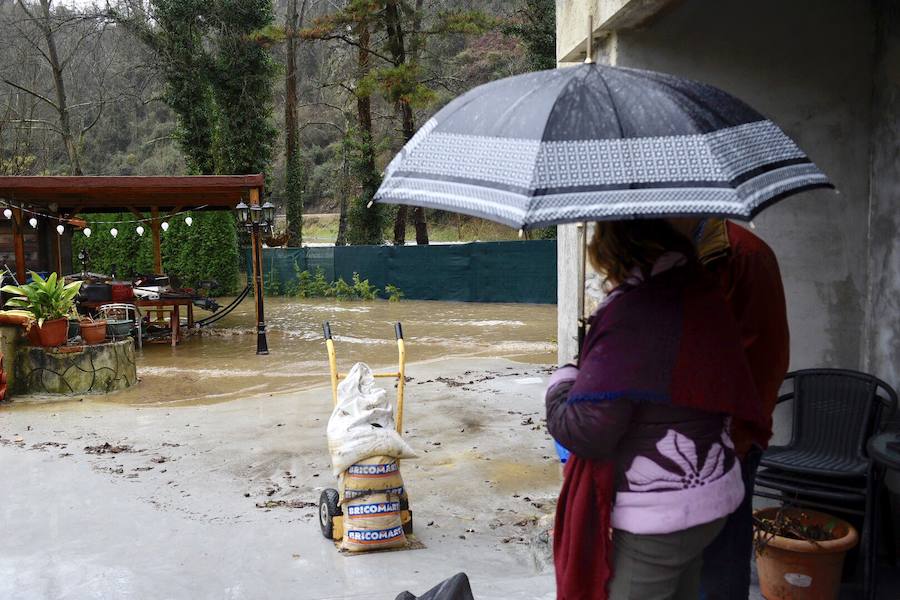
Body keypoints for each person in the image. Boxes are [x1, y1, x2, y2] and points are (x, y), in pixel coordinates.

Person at [546, 219, 768, 600]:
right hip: (709, 494)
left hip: (659, 512)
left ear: (615, 246)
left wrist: (562, 380)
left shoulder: (634, 313)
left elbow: (589, 429)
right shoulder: (699, 289)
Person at [669, 218, 790, 600]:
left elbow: (763, 366)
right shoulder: (666, 253)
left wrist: (731, 447)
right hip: (672, 444)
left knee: (718, 565)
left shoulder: (745, 256)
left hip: (725, 445)